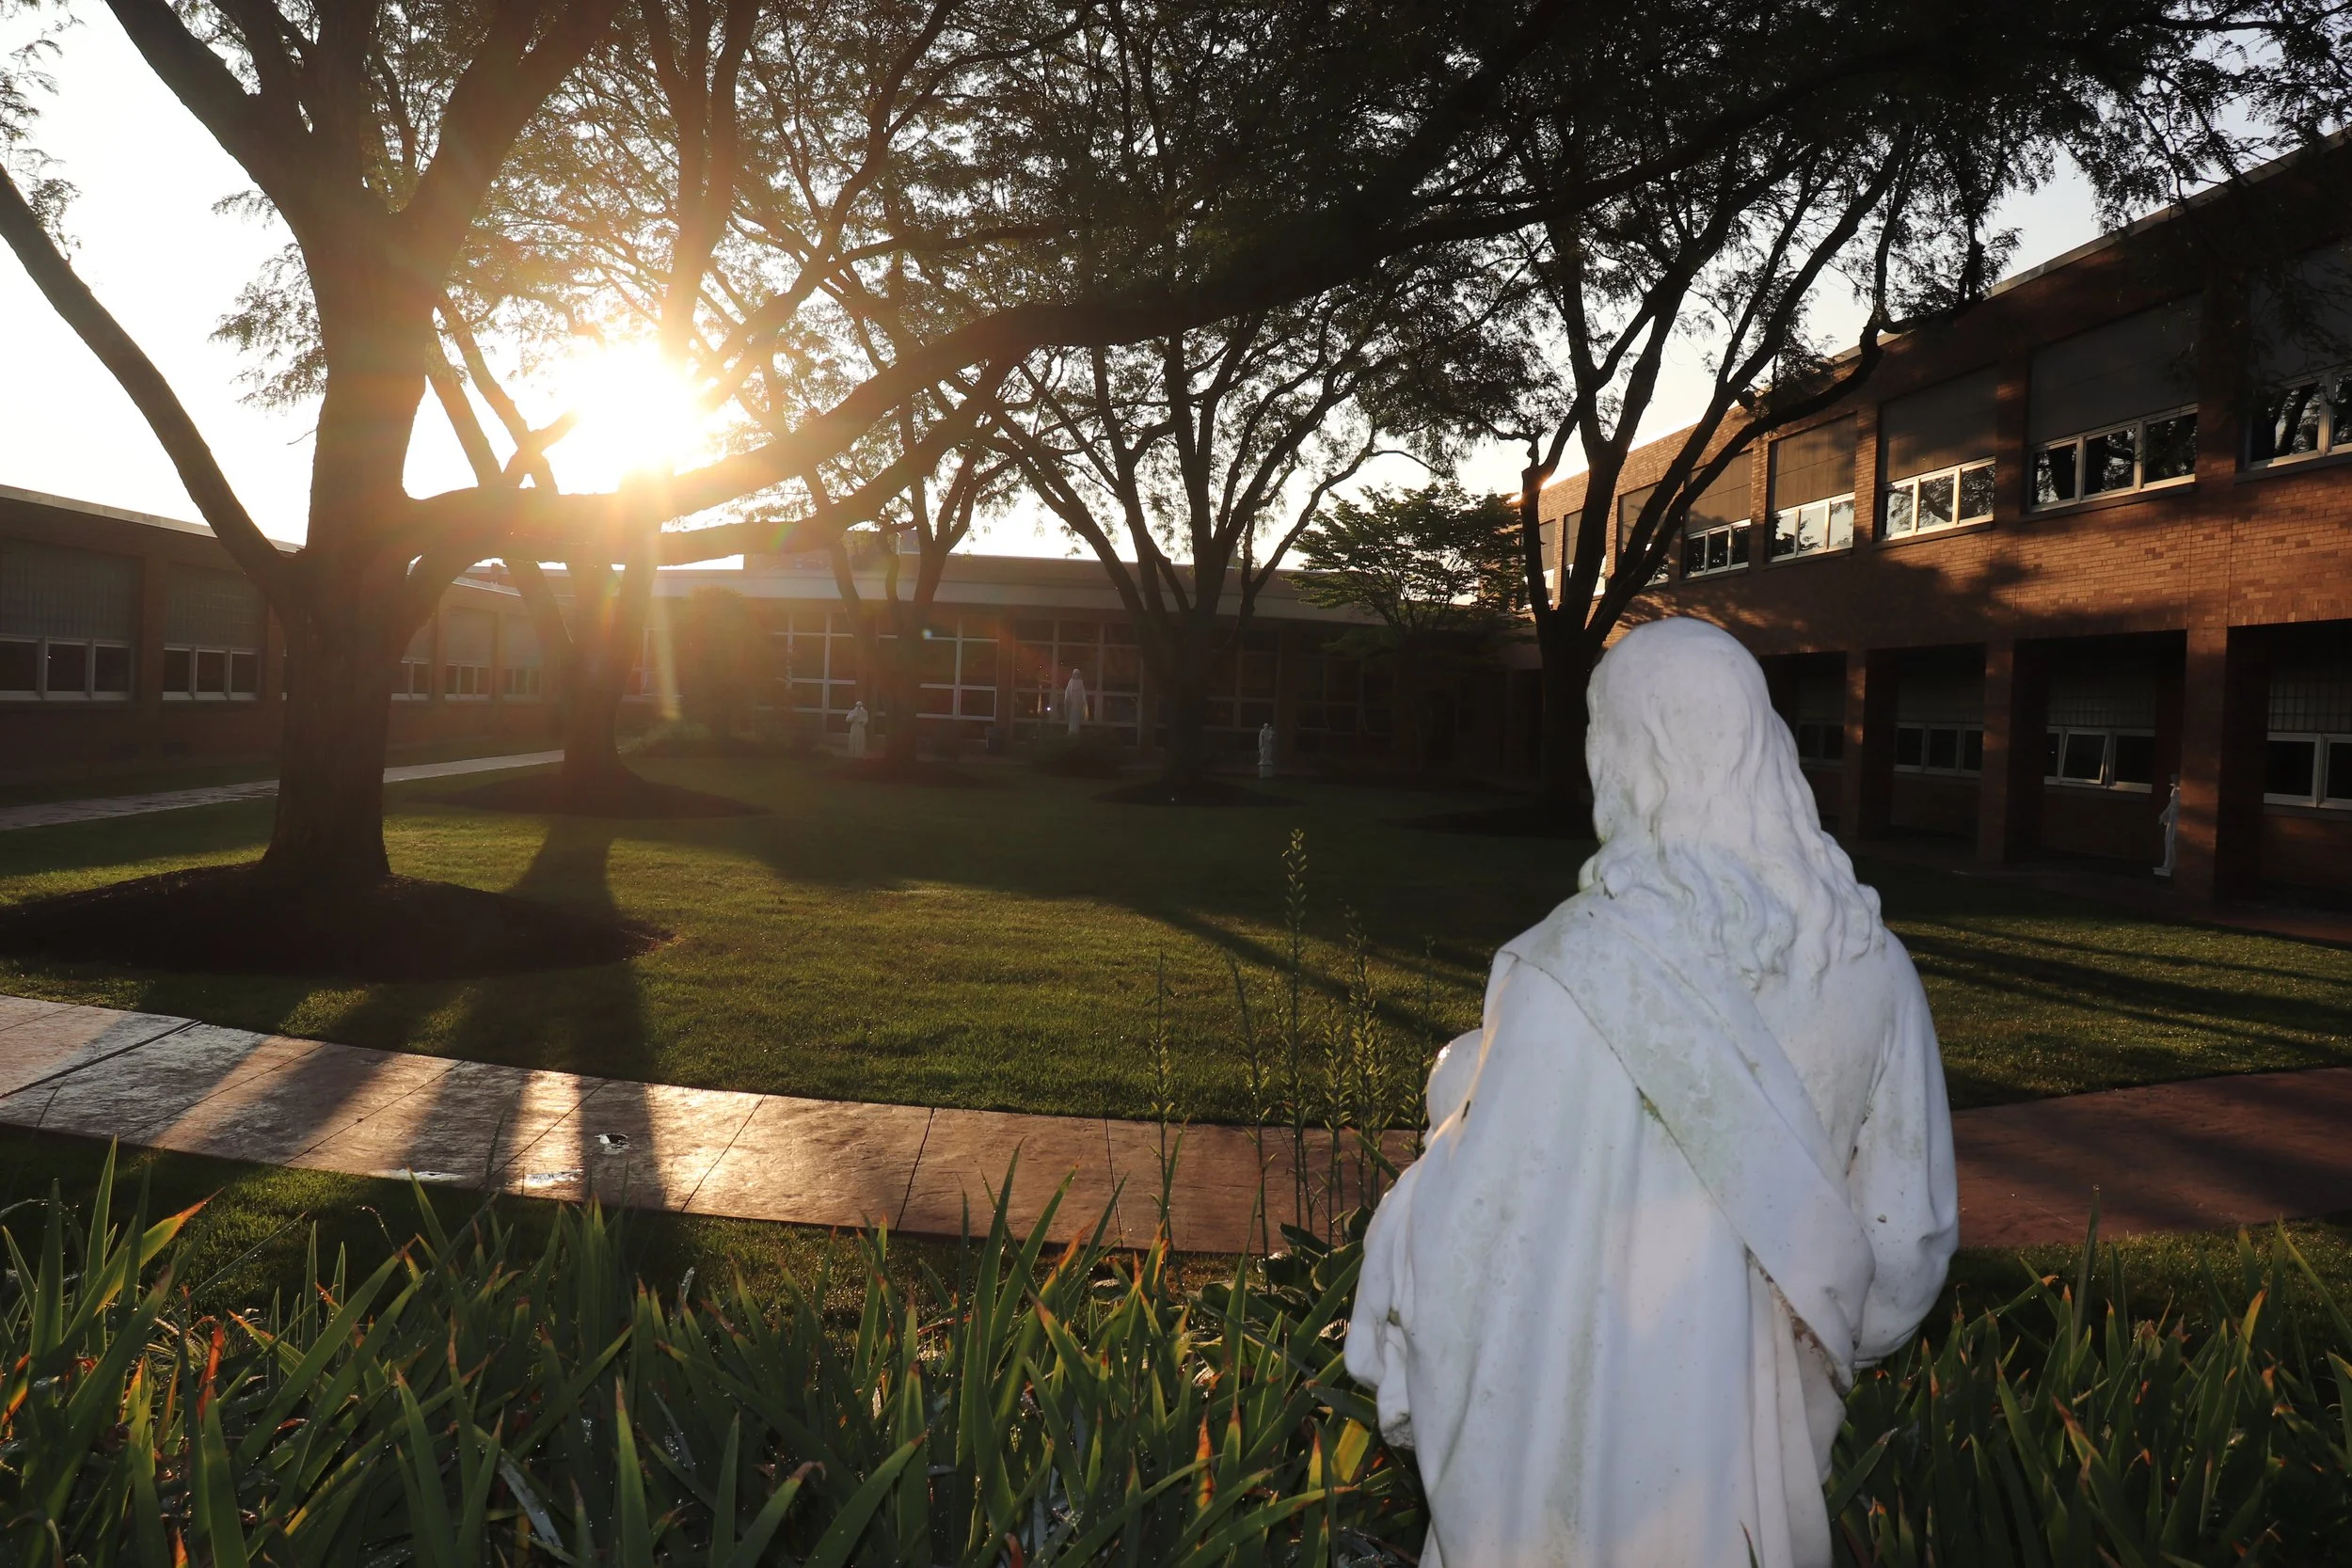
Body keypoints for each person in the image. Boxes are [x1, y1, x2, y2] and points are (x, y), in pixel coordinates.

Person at [1346, 617, 1957, 1568]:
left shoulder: (1571, 970)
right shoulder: (1871, 968)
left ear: (1631, 755)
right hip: (1762, 1498)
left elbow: (1471, 1247)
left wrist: (1457, 1101)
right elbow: (1902, 1262)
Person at [1063, 667, 1089, 736]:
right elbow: (1068, 691)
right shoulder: (1071, 681)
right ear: (1073, 675)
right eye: (1075, 674)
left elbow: (1083, 692)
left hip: (1078, 701)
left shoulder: (1080, 682)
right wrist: (1067, 699)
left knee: (1077, 716)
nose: (1076, 675)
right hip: (1072, 701)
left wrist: (1084, 700)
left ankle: (1076, 731)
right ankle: (1071, 730)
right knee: (1072, 716)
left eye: (1077, 674)